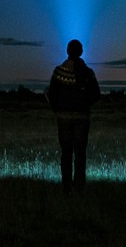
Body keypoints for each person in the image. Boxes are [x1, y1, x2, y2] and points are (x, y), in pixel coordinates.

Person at [46, 38, 102, 190]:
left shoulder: (58, 72)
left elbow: (51, 95)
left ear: (67, 51)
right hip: (82, 118)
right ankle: (79, 185)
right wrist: (83, 104)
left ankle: (66, 185)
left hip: (63, 119)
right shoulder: (88, 73)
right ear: (81, 52)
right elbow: (96, 95)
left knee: (66, 152)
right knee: (80, 153)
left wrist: (59, 109)